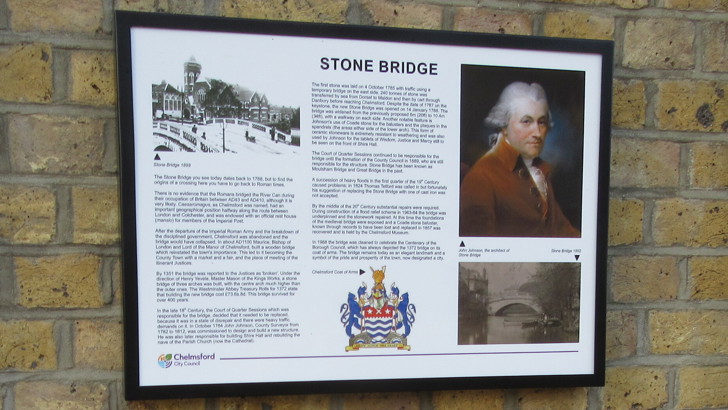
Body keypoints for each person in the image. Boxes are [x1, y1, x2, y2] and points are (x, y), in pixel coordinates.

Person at [459, 82, 580, 238]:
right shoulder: (481, 179)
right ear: (504, 126)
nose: (537, 132)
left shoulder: (539, 172)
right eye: (526, 121)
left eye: (542, 122)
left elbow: (564, 232)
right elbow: (477, 254)